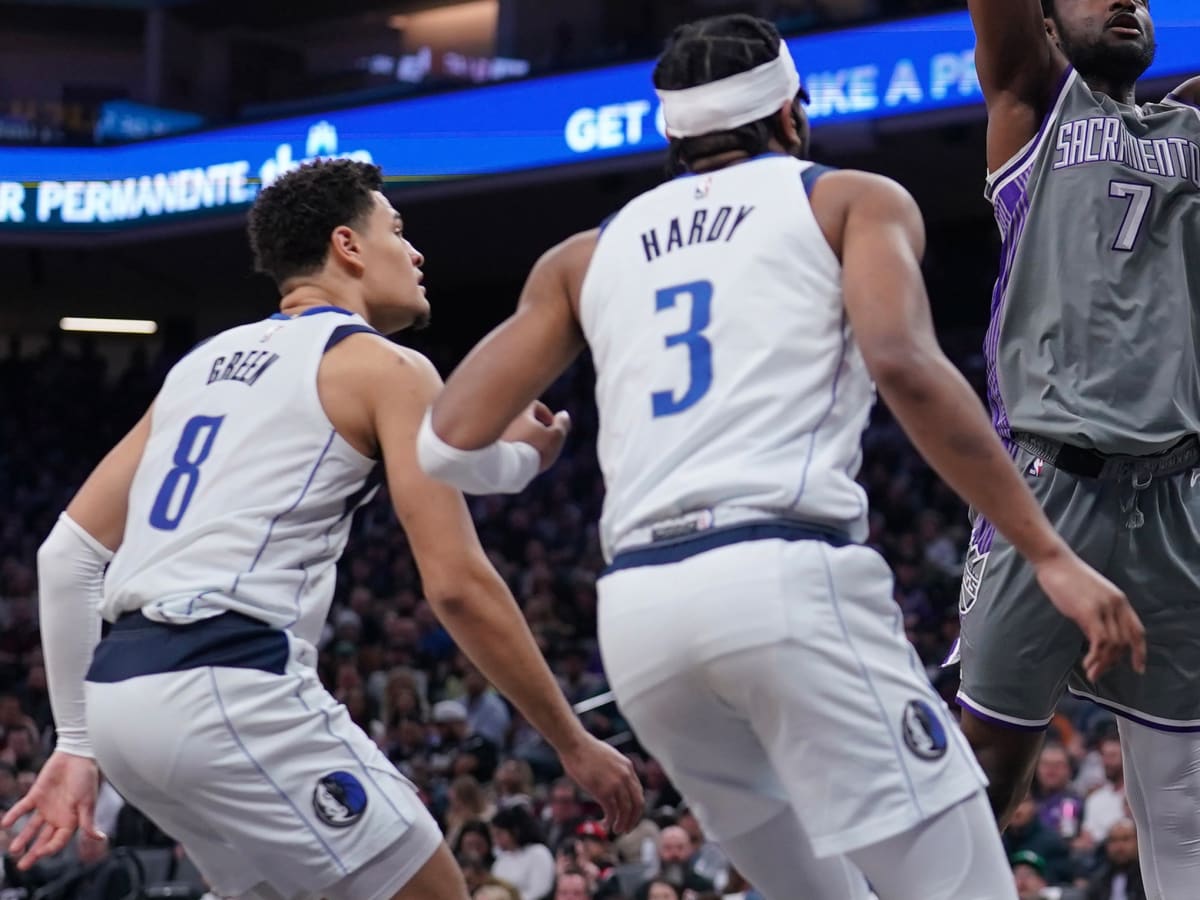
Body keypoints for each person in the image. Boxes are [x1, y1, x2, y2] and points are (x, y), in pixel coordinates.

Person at [416, 12, 1143, 899]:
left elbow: (442, 444)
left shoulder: (582, 257)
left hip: (640, 619)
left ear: (672, 132)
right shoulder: (847, 199)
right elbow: (908, 368)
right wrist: (1048, 553)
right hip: (783, 578)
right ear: (793, 112)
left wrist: (521, 464)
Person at [1, 159, 642, 900]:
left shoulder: (198, 368)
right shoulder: (385, 365)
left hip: (122, 701)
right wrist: (572, 741)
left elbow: (68, 553)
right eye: (398, 231)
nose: (417, 252)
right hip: (228, 683)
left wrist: (77, 740)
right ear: (349, 246)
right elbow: (459, 585)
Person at [957, 0, 1200, 894]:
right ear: (1048, 24)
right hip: (1052, 485)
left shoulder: (1189, 124)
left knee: (1185, 792)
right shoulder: (1033, 103)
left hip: (1181, 493)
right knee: (987, 768)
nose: (1128, 1)